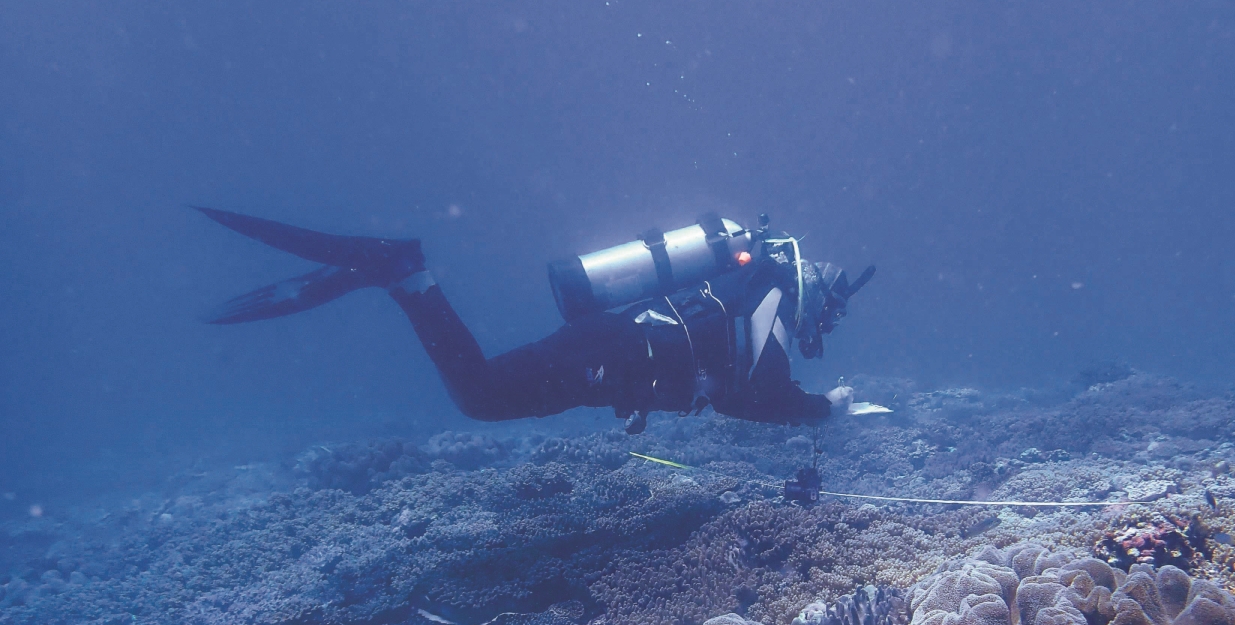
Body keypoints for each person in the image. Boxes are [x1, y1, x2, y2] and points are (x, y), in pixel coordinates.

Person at [199, 208, 874, 434]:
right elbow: (765, 392)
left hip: (612, 350)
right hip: (613, 352)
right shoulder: (773, 289)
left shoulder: (751, 285)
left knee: (482, 395)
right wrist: (829, 409)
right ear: (818, 290)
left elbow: (739, 397)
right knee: (482, 396)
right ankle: (407, 276)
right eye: (828, 314)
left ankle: (400, 279)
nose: (820, 326)